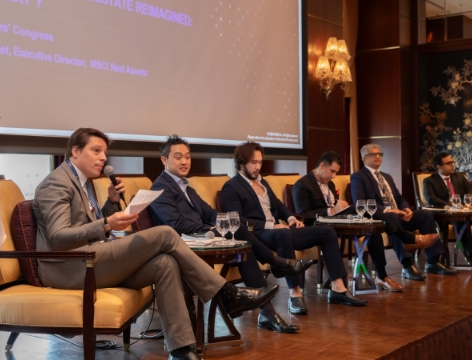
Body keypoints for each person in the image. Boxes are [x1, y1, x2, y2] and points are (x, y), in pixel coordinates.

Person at [32, 128, 279, 360]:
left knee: (165, 263)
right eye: (96, 151)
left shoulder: (84, 182)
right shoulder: (57, 182)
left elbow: (87, 224)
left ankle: (181, 349)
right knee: (165, 234)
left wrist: (110, 204)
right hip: (70, 267)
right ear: (75, 151)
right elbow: (58, 237)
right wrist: (107, 222)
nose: (103, 158)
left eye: (104, 152)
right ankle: (227, 295)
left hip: (92, 259)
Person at [148, 135, 309, 333]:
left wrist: (223, 223)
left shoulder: (186, 187)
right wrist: (210, 230)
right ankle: (276, 263)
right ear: (164, 160)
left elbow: (210, 213)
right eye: (178, 157)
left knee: (243, 247)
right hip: (184, 244)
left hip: (202, 239)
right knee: (238, 230)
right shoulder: (160, 188)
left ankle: (268, 313)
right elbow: (176, 223)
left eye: (187, 157)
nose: (184, 161)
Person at [220, 141, 368, 310]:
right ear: (241, 162)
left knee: (327, 232)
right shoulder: (232, 187)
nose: (258, 167)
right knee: (283, 233)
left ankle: (338, 289)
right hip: (258, 234)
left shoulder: (262, 182)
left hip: (280, 232)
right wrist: (271, 225)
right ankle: (295, 294)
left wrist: (290, 217)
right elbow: (237, 220)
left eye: (260, 162)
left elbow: (278, 204)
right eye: (254, 162)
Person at [293, 151, 408, 292]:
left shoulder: (330, 184)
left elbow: (332, 204)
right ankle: (405, 236)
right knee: (363, 207)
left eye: (336, 172)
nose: (334, 176)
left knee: (370, 224)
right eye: (332, 171)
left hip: (337, 222)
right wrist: (331, 210)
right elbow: (304, 214)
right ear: (322, 166)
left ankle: (382, 276)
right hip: (318, 226)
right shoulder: (302, 185)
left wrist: (339, 206)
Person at [350, 143, 455, 280]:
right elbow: (360, 202)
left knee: (426, 214)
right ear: (363, 158)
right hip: (382, 219)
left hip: (399, 215)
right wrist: (388, 210)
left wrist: (406, 209)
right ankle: (407, 265)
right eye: (373, 154)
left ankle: (433, 262)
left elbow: (399, 198)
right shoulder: (358, 177)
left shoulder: (387, 176)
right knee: (392, 216)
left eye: (379, 154)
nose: (377, 156)